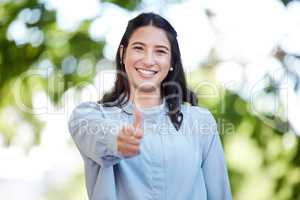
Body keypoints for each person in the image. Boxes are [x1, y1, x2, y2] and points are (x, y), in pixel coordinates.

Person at [68, 12, 232, 200]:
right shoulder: (90, 115)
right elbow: (98, 136)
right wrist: (117, 141)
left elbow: (220, 195)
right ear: (123, 53)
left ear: (171, 62)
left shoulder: (200, 121)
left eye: (160, 51)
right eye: (139, 48)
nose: (148, 60)